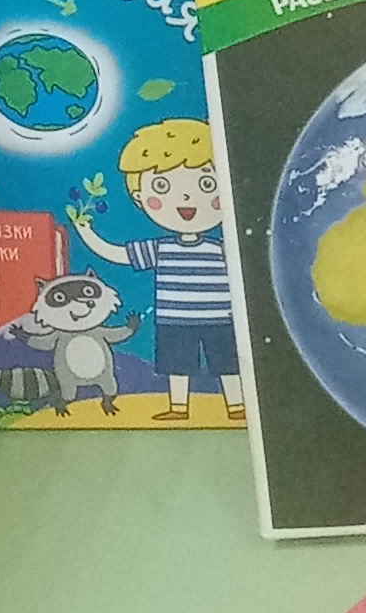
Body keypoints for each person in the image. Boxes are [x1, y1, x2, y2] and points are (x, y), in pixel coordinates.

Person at [67, 117, 241, 421]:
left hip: (219, 319)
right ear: (139, 198)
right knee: (178, 366)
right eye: (162, 186)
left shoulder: (222, 249)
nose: (186, 198)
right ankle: (179, 408)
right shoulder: (161, 248)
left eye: (207, 184)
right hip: (175, 320)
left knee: (228, 364)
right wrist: (86, 232)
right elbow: (118, 254)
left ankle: (237, 406)